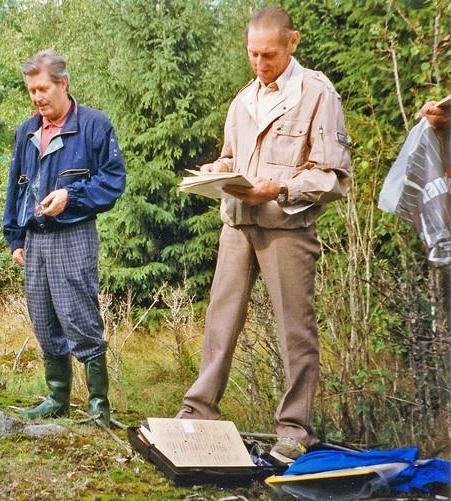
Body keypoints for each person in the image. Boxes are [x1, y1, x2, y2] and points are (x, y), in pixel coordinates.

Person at [176, 6, 352, 463]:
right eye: (252, 55)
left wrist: (282, 187)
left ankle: (294, 430)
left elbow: (334, 177)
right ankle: (199, 411)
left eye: (268, 55)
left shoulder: (317, 94)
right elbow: (232, 157)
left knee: (296, 330)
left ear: (292, 43)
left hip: (286, 228)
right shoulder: (243, 99)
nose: (259, 64)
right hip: (236, 225)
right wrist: (217, 170)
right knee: (220, 321)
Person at [3, 49, 126, 425]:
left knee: (80, 319)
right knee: (43, 320)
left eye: (43, 89)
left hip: (74, 235)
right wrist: (15, 238)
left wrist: (72, 196)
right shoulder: (26, 131)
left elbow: (113, 181)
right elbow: (16, 187)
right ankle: (56, 398)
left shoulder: (94, 125)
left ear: (63, 84)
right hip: (35, 239)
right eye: (31, 91)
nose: (37, 98)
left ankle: (98, 407)